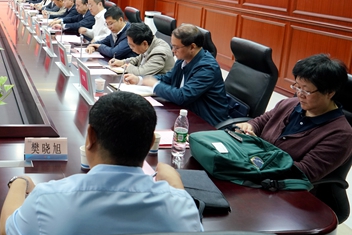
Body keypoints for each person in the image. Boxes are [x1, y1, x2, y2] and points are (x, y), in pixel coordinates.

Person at [0, 92, 202, 235]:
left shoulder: (47, 200)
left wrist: (20, 181)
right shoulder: (181, 206)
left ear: (90, 136)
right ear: (151, 143)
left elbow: (7, 232)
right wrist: (175, 184)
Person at [236, 54, 352, 182]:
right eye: (297, 87)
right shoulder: (289, 104)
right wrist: (249, 126)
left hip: (281, 185)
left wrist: (258, 151)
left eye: (306, 91)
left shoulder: (340, 134)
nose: (299, 94)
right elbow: (261, 121)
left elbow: (304, 172)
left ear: (329, 93)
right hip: (255, 168)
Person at [124, 24, 229, 126]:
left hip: (206, 122)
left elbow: (183, 96)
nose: (173, 51)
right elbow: (168, 78)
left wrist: (155, 85)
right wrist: (140, 80)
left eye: (176, 47)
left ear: (192, 47)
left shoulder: (207, 68)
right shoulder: (183, 59)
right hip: (185, 113)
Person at [110, 22, 175, 75]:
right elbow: (138, 59)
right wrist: (123, 62)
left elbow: (142, 73)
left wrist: (127, 67)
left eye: (132, 45)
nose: (130, 48)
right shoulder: (149, 44)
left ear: (144, 44)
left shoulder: (159, 52)